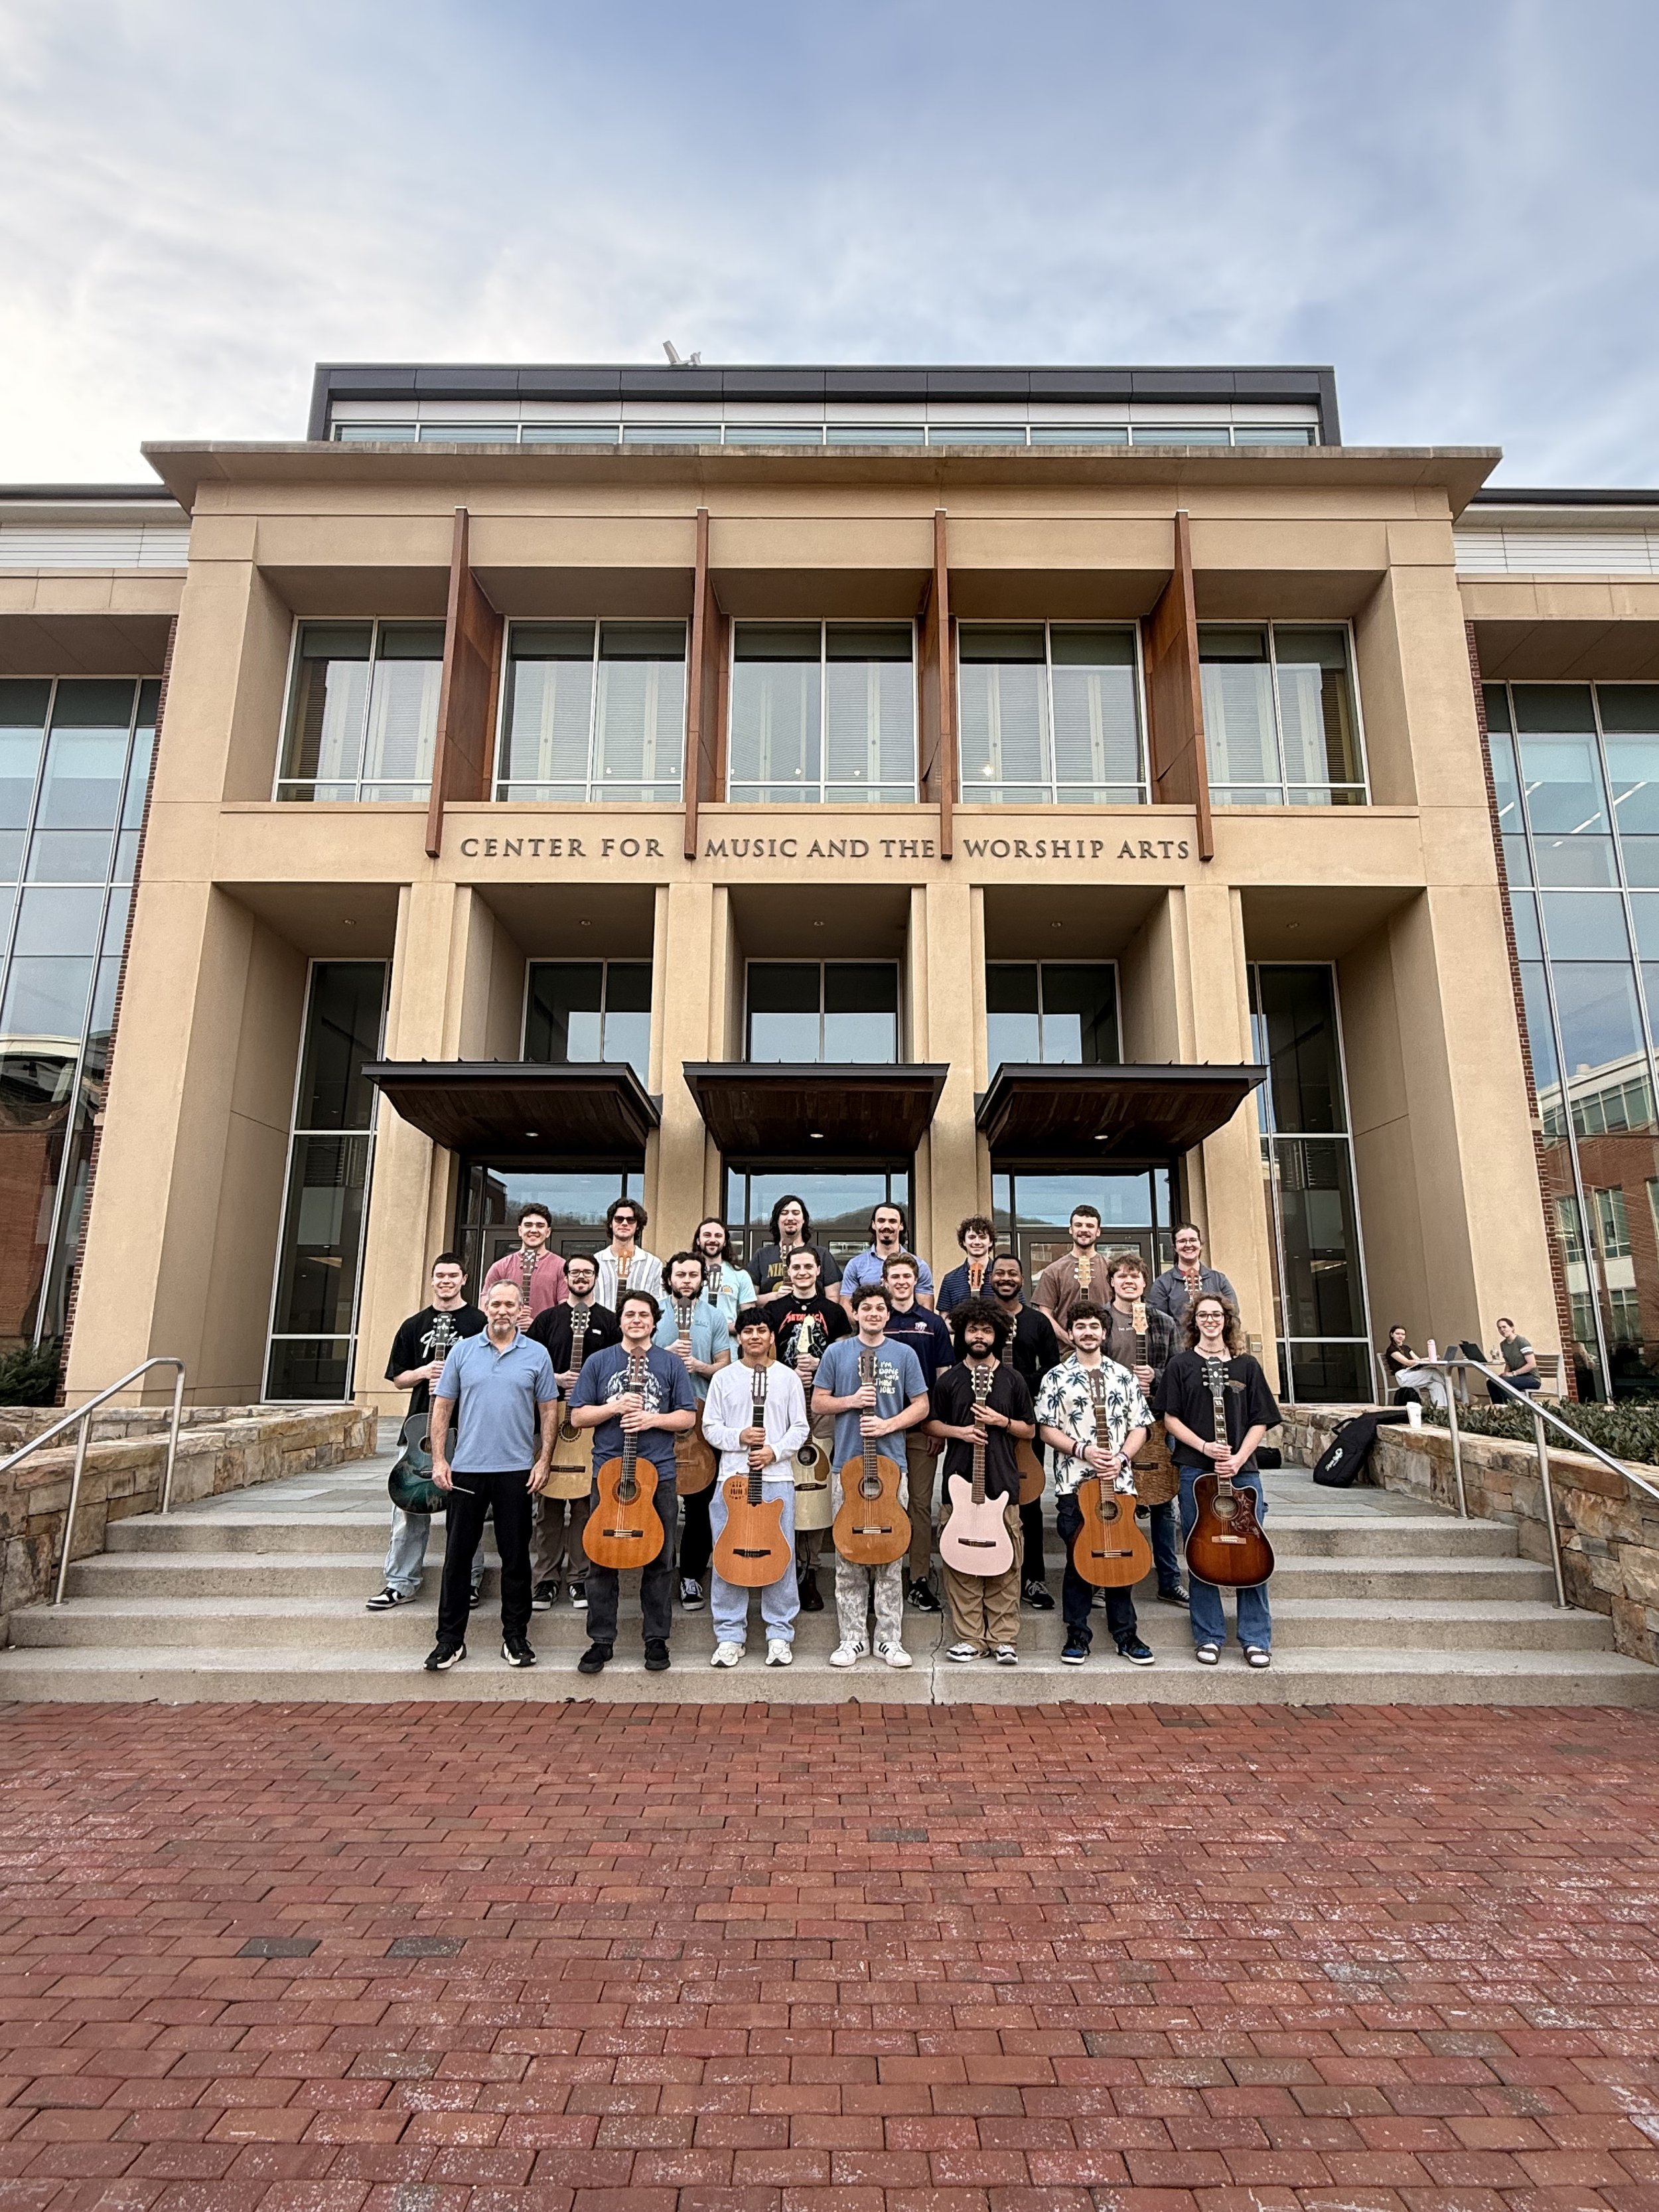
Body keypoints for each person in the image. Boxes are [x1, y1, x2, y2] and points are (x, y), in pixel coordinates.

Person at [425, 1281, 557, 1672]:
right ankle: (450, 1641)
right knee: (457, 1559)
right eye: (496, 1304)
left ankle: (515, 1637)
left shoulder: (537, 1354)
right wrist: (439, 1459)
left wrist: (544, 1460)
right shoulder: (463, 1351)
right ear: (485, 1307)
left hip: (516, 1471)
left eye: (509, 1305)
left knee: (516, 1559)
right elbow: (442, 1406)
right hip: (467, 1470)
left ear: (521, 1310)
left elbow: (549, 1411)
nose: (502, 1311)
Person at [566, 1288, 697, 1675]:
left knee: (661, 1558)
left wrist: (651, 1419)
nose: (636, 1321)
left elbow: (688, 1417)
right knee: (601, 1557)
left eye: (643, 1315)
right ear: (620, 1321)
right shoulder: (599, 1361)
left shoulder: (670, 1364)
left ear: (654, 1322)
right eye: (629, 1315)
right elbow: (577, 1416)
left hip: (659, 1475)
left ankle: (656, 1638)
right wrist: (614, 1407)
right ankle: (601, 1640)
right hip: (609, 1474)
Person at [1155, 1292, 1279, 1668]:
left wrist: (1239, 1458)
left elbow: (1261, 1419)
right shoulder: (1181, 1365)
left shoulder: (1246, 1366)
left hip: (1243, 1472)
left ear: (1227, 1320)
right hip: (1196, 1470)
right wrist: (1205, 1447)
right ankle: (1208, 1635)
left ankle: (1255, 1638)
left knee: (1252, 1551)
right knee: (1201, 1549)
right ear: (1194, 1322)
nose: (1211, 1321)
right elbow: (1170, 1419)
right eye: (1204, 1315)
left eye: (1217, 1315)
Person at [812, 1283, 930, 1670]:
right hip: (847, 1468)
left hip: (893, 1468)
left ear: (888, 1314)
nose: (874, 1314)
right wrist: (851, 1401)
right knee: (848, 1557)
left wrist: (887, 1425)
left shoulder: (904, 1354)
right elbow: (818, 1402)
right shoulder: (837, 1352)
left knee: (891, 1557)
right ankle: (852, 1639)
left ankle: (889, 1639)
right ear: (855, 1313)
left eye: (880, 1308)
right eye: (867, 1308)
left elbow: (922, 1406)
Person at [1035, 1301, 1155, 1669]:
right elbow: (1045, 1428)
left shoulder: (1123, 1376)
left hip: (1119, 1484)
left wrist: (1121, 1458)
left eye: (1093, 1327)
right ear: (1070, 1333)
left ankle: (1126, 1635)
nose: (1087, 1332)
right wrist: (1082, 1450)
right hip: (1075, 1485)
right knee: (1079, 1559)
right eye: (1080, 1327)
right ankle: (1077, 1634)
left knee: (1122, 1557)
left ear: (1104, 1333)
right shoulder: (1055, 1377)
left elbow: (1141, 1426)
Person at [370, 1254, 487, 1612]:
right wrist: (425, 1372)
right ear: (432, 1280)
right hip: (418, 1431)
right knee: (409, 1509)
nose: (446, 1281)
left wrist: (455, 1377)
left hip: (465, 1430)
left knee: (466, 1511)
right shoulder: (413, 1325)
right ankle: (400, 1582)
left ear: (464, 1279)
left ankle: (469, 1581)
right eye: (440, 1275)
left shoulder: (479, 1322)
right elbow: (398, 1377)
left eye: (453, 1275)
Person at [701, 1306, 810, 1668]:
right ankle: (729, 1635)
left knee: (780, 1554)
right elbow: (710, 1427)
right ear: (739, 1338)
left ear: (771, 1337)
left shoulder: (788, 1378)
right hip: (732, 1478)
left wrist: (774, 1451)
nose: (755, 1337)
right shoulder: (724, 1378)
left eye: (762, 1330)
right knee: (727, 1554)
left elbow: (800, 1427)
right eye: (748, 1331)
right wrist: (740, 1437)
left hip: (776, 1480)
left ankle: (779, 1633)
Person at [927, 1300, 1036, 1665]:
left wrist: (1001, 1421)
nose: (979, 1336)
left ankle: (1004, 1639)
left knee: (1007, 1564)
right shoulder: (950, 1380)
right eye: (973, 1330)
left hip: (1003, 1483)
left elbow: (1029, 1429)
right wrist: (960, 1432)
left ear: (997, 1335)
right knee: (961, 1563)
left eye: (986, 1331)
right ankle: (971, 1638)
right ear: (962, 1333)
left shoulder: (1013, 1380)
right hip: (958, 1484)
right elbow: (930, 1423)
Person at [526, 1252, 620, 1609]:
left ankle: (580, 1578)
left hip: (592, 1424)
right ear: (565, 1277)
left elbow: (619, 1369)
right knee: (548, 1506)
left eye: (587, 1272)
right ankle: (546, 1580)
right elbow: (528, 1365)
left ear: (596, 1277)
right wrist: (556, 1378)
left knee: (585, 1505)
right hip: (550, 1418)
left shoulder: (610, 1321)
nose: (581, 1277)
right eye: (575, 1272)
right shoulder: (547, 1320)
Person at [762, 1245, 851, 1613]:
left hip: (822, 1404)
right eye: (795, 1267)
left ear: (818, 1271)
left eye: (808, 1266)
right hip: (783, 1404)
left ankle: (810, 1569)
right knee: (788, 1482)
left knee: (816, 1483)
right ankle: (785, 1560)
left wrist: (820, 1365)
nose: (801, 1272)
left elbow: (845, 1355)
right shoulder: (774, 1310)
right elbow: (762, 1353)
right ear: (789, 1271)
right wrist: (788, 1374)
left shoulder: (834, 1312)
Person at [1102, 1250, 1187, 1606]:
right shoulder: (1100, 1320)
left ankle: (1169, 1580)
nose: (1128, 1281)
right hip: (1109, 1422)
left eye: (1134, 1276)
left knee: (1162, 1501)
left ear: (1144, 1282)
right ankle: (1107, 1573)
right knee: (1111, 1498)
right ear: (1112, 1282)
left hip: (1154, 1422)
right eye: (1121, 1275)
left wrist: (1157, 1375)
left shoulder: (1163, 1322)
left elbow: (1181, 1372)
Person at [656, 1250, 733, 1611]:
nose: (687, 1281)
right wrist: (666, 1354)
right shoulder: (653, 1311)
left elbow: (724, 1366)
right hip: (659, 1417)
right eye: (680, 1275)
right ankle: (658, 1571)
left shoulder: (713, 1316)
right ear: (669, 1278)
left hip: (703, 1417)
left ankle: (691, 1575)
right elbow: (633, 1356)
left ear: (703, 1279)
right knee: (659, 1498)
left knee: (701, 1502)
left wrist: (699, 1365)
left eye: (693, 1275)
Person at [880, 1251, 956, 1613]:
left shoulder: (932, 1323)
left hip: (921, 1428)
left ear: (916, 1281)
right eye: (894, 1276)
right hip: (881, 1430)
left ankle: (920, 1578)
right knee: (883, 1501)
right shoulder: (877, 1318)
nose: (901, 1282)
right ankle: (883, 1573)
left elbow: (943, 1379)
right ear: (885, 1282)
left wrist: (937, 1425)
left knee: (920, 1504)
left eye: (906, 1276)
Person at [989, 1252, 1060, 1611]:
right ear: (991, 1278)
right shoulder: (980, 1318)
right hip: (986, 1422)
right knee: (987, 1498)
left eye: (1013, 1273)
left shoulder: (1037, 1322)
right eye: (1000, 1272)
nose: (1006, 1278)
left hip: (1026, 1424)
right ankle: (992, 1570)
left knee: (1029, 1501)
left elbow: (1052, 1369)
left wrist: (1016, 1383)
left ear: (1022, 1279)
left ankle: (1033, 1578)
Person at [1033, 1205, 1109, 1347]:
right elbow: (1045, 1313)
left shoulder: (1111, 1269)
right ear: (1071, 1229)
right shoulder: (1053, 1271)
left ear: (1098, 1231)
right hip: (1066, 1351)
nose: (1084, 1230)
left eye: (1090, 1226)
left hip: (1106, 1350)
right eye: (1078, 1225)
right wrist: (1068, 1339)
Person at [838, 1202, 934, 1315]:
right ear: (874, 1225)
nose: (887, 1226)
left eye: (892, 1221)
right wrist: (865, 1323)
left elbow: (925, 1307)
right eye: (881, 1221)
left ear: (901, 1226)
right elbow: (847, 1305)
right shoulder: (856, 1265)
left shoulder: (920, 1266)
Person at [480, 1203, 567, 1321]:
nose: (534, 1230)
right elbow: (485, 1306)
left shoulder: (561, 1266)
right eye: (528, 1225)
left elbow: (565, 1311)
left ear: (548, 1232)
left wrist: (538, 1326)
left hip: (545, 1332)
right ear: (520, 1231)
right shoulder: (500, 1267)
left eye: (540, 1226)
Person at [1146, 1222, 1238, 1331]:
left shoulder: (1219, 1280)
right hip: (1178, 1342)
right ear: (1175, 1248)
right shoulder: (1163, 1283)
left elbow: (1233, 1317)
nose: (1188, 1245)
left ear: (1201, 1245)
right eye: (1182, 1241)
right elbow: (1158, 1324)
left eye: (1193, 1240)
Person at [749, 1195, 835, 1299]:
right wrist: (775, 1296)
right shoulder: (762, 1255)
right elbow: (749, 1301)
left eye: (796, 1213)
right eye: (784, 1213)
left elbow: (833, 1298)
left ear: (804, 1220)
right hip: (772, 1310)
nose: (790, 1218)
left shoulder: (822, 1254)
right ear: (777, 1220)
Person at [593, 1196, 663, 1311]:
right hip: (602, 1321)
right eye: (619, 1219)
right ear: (610, 1223)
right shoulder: (595, 1262)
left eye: (631, 1220)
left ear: (638, 1226)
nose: (624, 1223)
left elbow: (659, 1302)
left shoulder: (653, 1264)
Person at [693, 1217, 757, 1329]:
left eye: (718, 1236)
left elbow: (750, 1320)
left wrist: (721, 1327)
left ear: (725, 1242)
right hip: (693, 1339)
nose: (712, 1240)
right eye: (707, 1235)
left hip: (728, 1340)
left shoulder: (740, 1275)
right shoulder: (687, 1273)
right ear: (698, 1241)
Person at [936, 1215, 999, 1315]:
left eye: (982, 1237)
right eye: (971, 1237)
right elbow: (944, 1318)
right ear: (964, 1242)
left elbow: (1018, 1311)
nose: (977, 1242)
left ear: (991, 1242)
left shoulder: (1003, 1277)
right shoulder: (950, 1280)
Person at [1383, 1323, 1445, 1410]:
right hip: (1404, 1377)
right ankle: (1453, 1391)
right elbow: (1407, 1363)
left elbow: (1418, 1360)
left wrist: (1430, 1358)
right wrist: (1421, 1361)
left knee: (1436, 1385)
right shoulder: (1392, 1350)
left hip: (1414, 1375)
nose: (1400, 1336)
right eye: (1398, 1334)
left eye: (1403, 1334)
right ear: (1392, 1334)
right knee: (1432, 1372)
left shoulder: (1406, 1348)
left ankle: (1440, 1410)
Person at [1488, 1318, 1542, 1401]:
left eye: (1504, 1327)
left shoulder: (1522, 1342)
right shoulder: (1503, 1345)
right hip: (1515, 1377)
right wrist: (1506, 1374)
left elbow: (1532, 1364)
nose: (1502, 1330)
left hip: (1531, 1378)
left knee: (1503, 1382)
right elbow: (1508, 1363)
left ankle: (1511, 1405)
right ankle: (1499, 1406)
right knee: (1492, 1382)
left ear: (1512, 1328)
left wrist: (1514, 1374)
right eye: (1499, 1328)